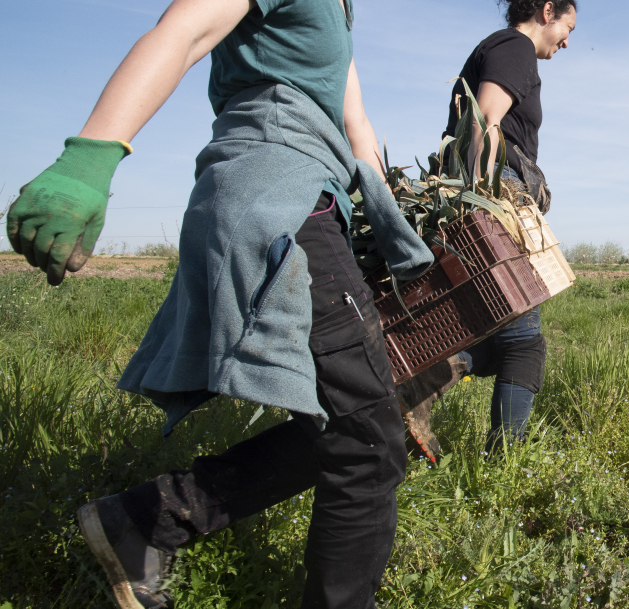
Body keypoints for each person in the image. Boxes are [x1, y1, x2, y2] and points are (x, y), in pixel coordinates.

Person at [5, 0, 433, 607]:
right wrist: (90, 156)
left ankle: (146, 521)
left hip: (308, 203)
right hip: (277, 207)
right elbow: (182, 32)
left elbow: (355, 128)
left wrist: (402, 233)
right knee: (370, 440)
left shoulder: (340, 11)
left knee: (351, 426)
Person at [401, 0, 577, 456]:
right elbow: (485, 122)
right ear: (547, 9)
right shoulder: (514, 46)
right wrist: (484, 211)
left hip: (488, 195)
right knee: (524, 344)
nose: (567, 41)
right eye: (567, 27)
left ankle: (418, 389)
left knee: (502, 337)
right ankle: (502, 465)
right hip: (495, 197)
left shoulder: (503, 48)